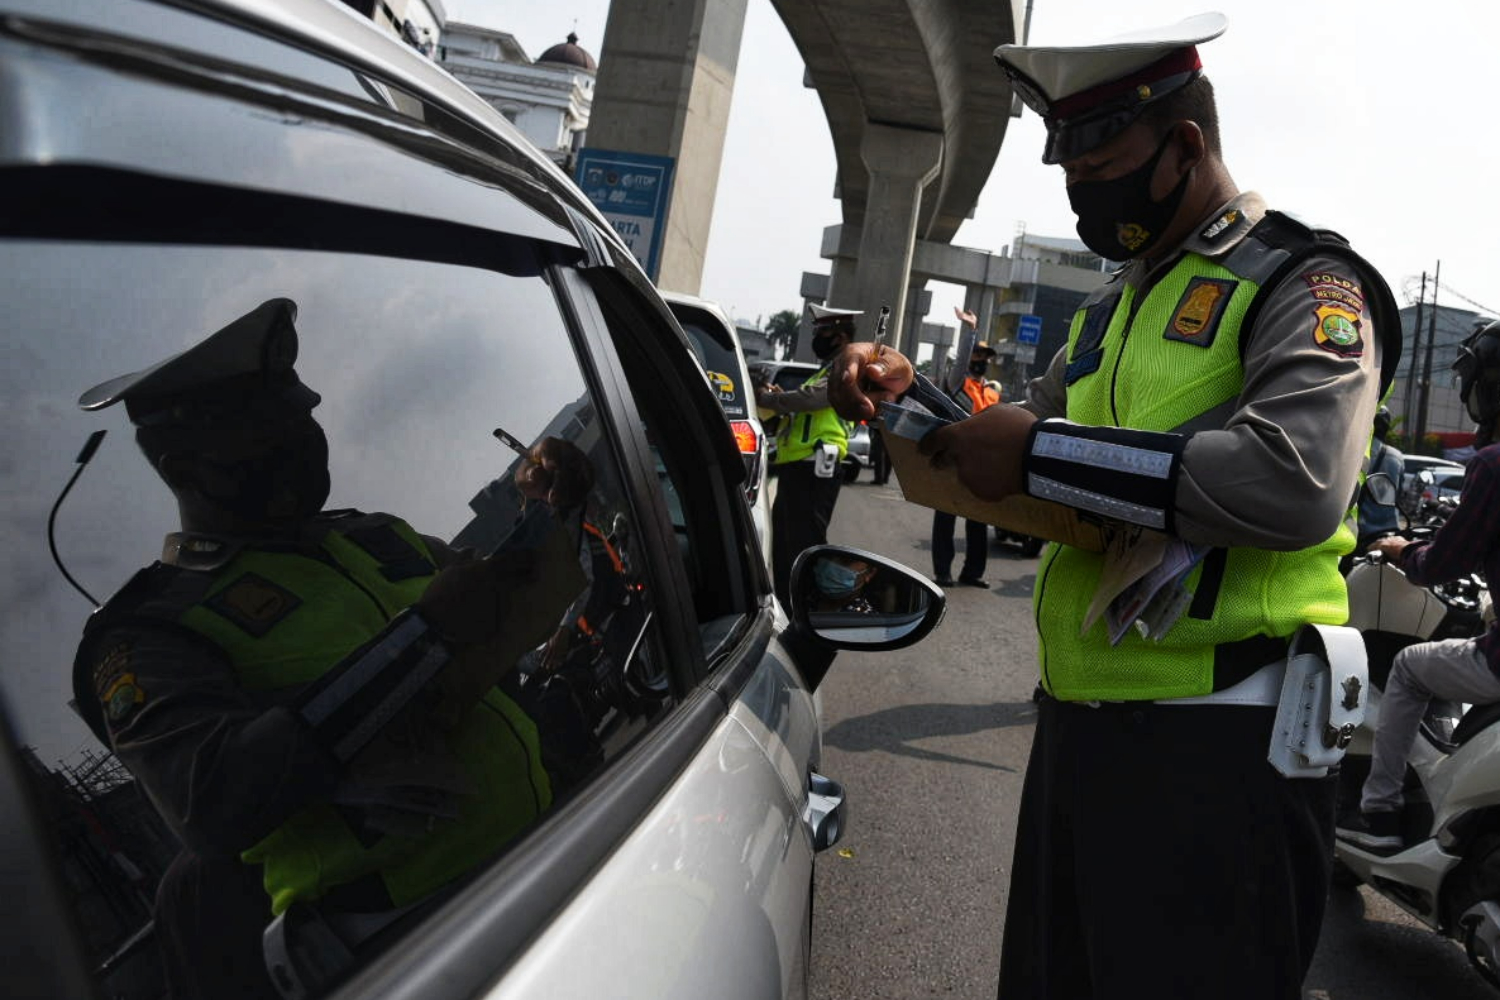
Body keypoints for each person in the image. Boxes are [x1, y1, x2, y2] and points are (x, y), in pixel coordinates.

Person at [825, 13, 1400, 998]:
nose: (1082, 193)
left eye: (1099, 166)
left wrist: (1043, 449)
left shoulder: (1305, 285)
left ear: (1183, 147)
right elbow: (1007, 448)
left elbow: (1296, 480)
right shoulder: (1113, 309)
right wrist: (902, 396)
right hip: (1082, 739)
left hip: (1224, 761)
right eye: (1068, 173)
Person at [71, 299, 584, 996]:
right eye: (269, 433)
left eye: (304, 418)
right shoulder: (151, 630)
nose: (303, 441)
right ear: (182, 464)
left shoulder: (375, 534)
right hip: (411, 948)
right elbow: (212, 801)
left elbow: (498, 604)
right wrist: (421, 638)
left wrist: (550, 506)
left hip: (558, 852)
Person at [1338, 322, 1500, 853]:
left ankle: (1379, 811)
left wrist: (1400, 551)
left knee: (1408, 669)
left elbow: (1442, 564)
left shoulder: (1491, 466)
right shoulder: (1395, 459)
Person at [756, 303, 859, 607]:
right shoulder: (827, 370)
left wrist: (772, 399)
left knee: (804, 546)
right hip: (796, 466)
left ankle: (814, 608)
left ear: (839, 337)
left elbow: (814, 400)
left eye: (822, 331)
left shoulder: (847, 369)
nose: (817, 337)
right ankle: (789, 609)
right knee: (786, 547)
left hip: (816, 468)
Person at [931, 307, 1000, 588]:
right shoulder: (957, 382)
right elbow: (960, 361)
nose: (979, 360)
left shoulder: (993, 391)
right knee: (946, 516)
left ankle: (972, 572)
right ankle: (942, 572)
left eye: (984, 357)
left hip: (982, 464)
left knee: (978, 520)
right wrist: (970, 332)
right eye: (976, 355)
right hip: (953, 459)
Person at [1355, 406, 1405, 552]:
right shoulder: (1397, 456)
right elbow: (1397, 495)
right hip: (1389, 532)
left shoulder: (1356, 450)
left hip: (1359, 533)